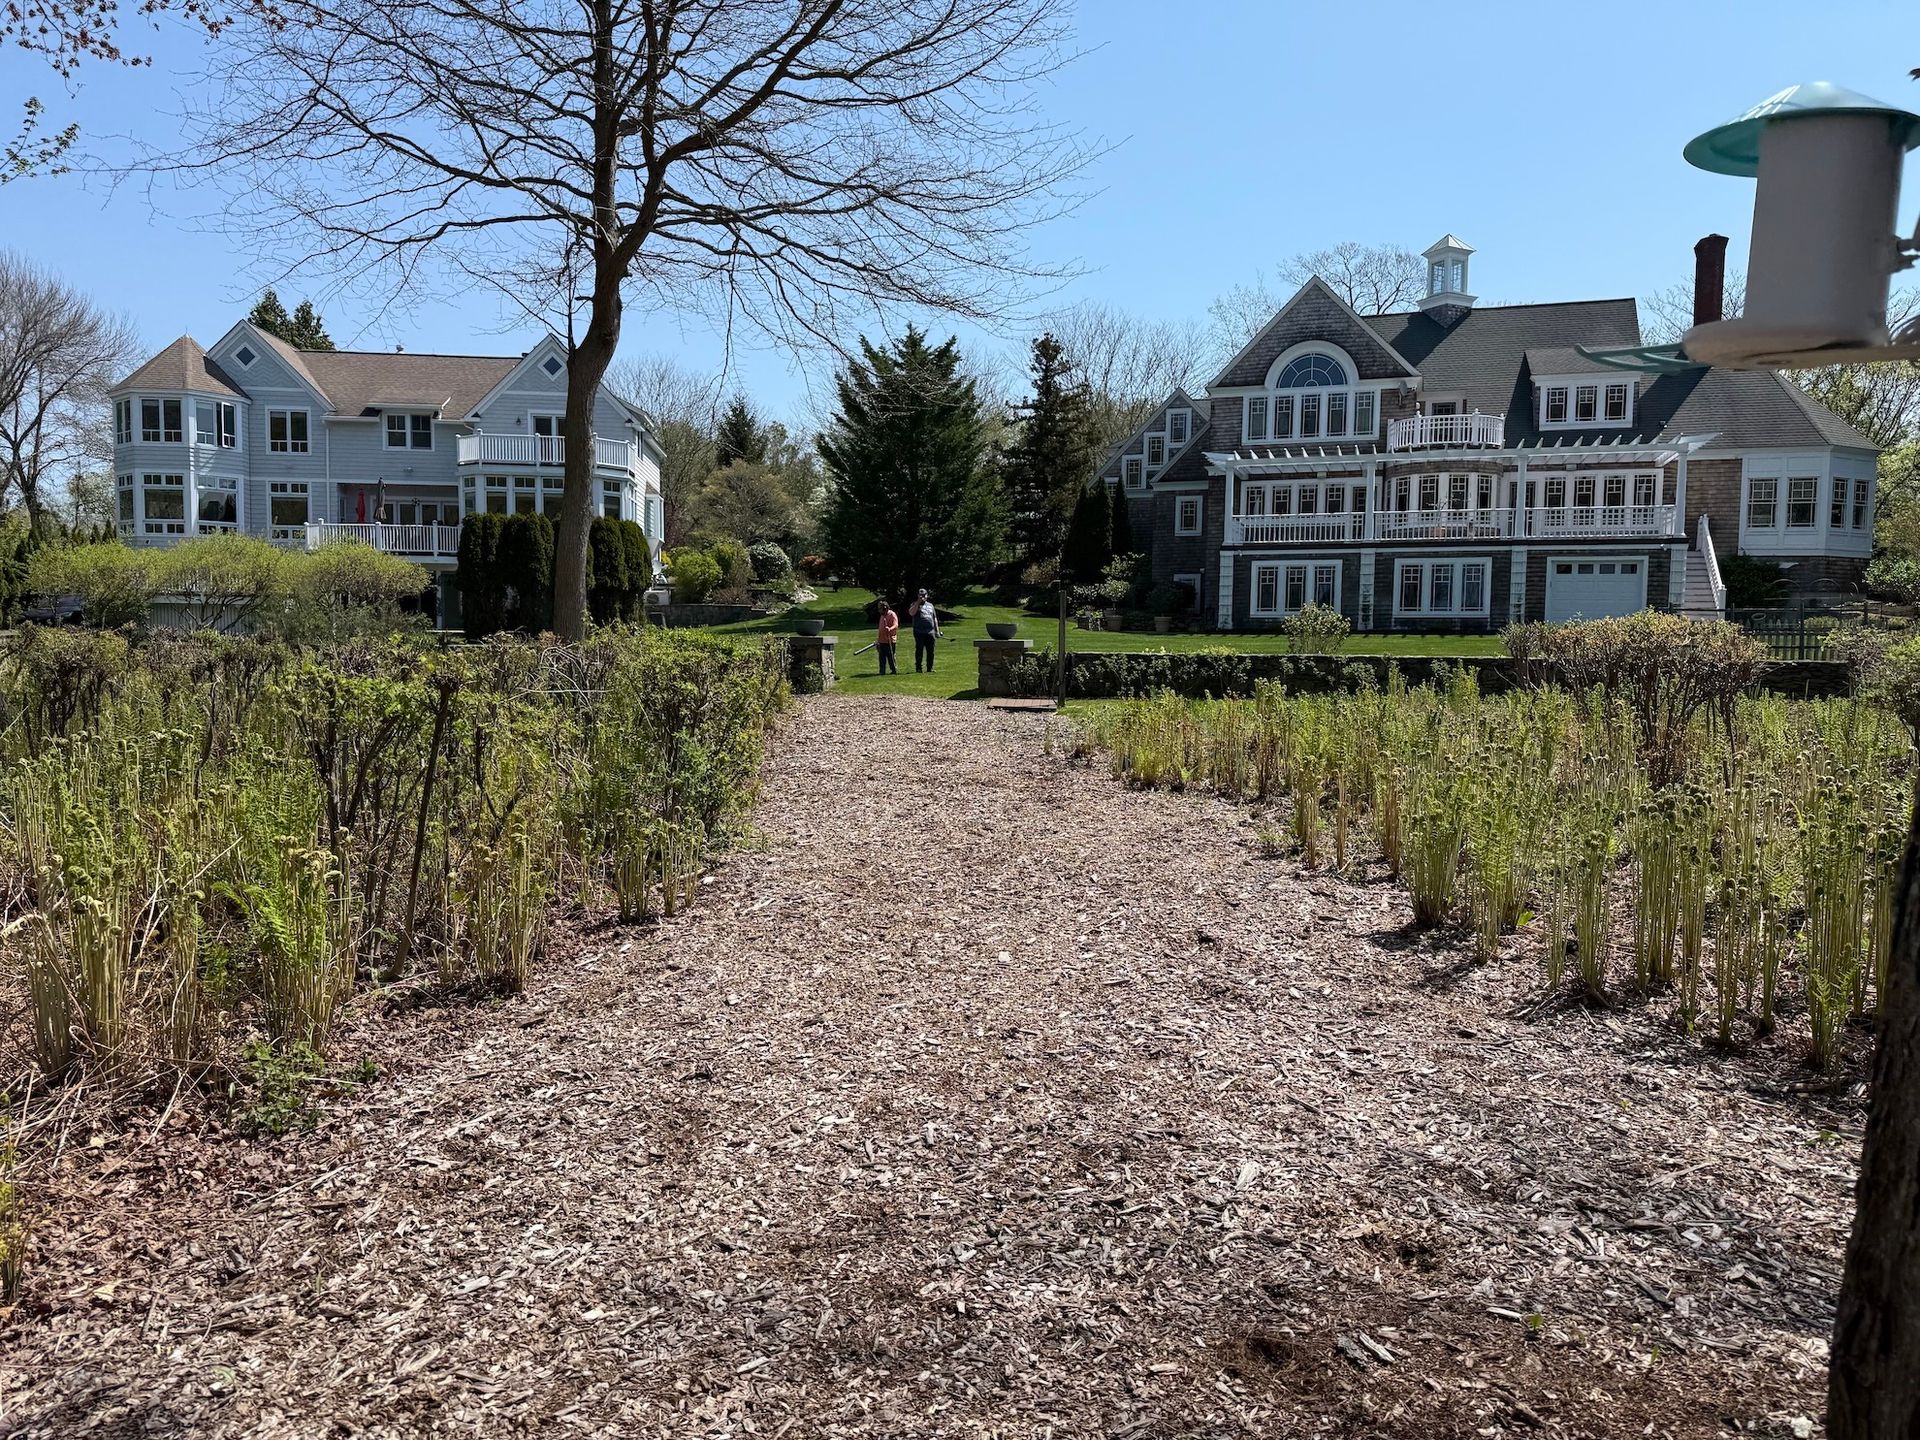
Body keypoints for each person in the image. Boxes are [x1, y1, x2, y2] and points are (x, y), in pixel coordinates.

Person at [908, 588, 940, 673]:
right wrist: (917, 603)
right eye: (920, 595)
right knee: (919, 651)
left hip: (930, 632)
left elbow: (934, 618)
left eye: (924, 595)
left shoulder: (930, 605)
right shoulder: (914, 604)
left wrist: (937, 630)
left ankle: (930, 668)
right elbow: (911, 613)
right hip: (919, 632)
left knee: (931, 651)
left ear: (927, 596)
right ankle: (919, 668)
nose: (922, 597)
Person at [874, 597, 899, 675]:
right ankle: (882, 671)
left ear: (885, 608)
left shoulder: (892, 614)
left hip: (890, 640)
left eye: (880, 609)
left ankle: (893, 670)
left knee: (891, 657)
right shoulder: (882, 616)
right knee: (881, 657)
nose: (879, 611)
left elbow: (896, 625)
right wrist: (878, 640)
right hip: (882, 640)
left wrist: (890, 629)